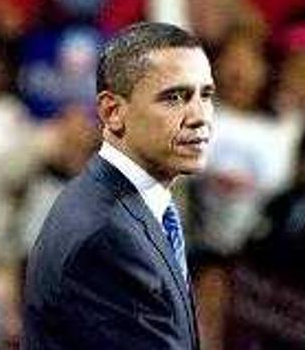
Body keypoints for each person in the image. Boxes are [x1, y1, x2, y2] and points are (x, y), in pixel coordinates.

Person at [22, 22, 216, 349]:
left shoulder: (142, 202)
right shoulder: (105, 230)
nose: (197, 116)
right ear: (113, 112)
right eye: (173, 98)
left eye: (204, 95)